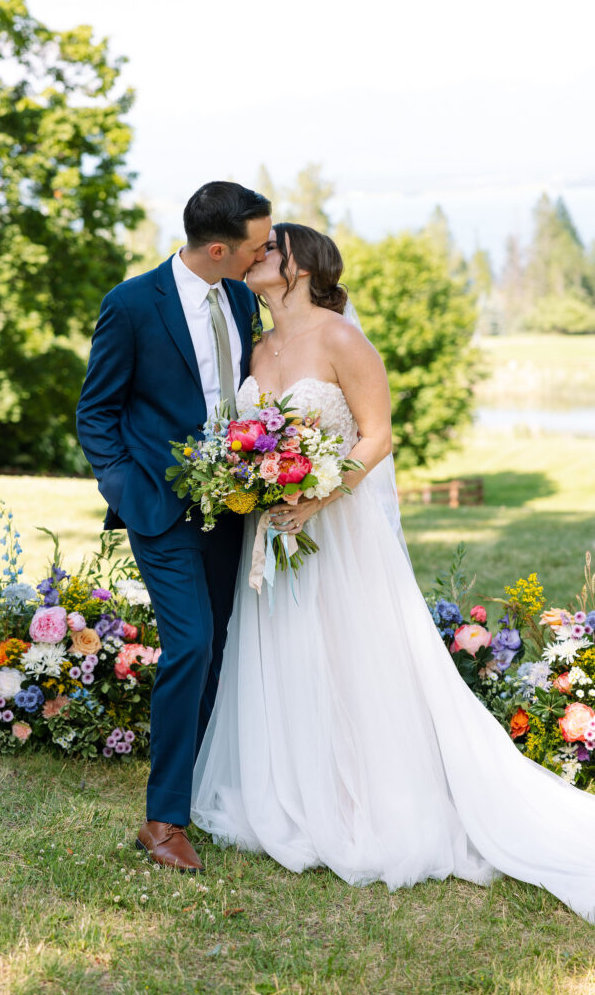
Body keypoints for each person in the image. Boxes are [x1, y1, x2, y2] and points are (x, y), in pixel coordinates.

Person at [191, 222, 595, 923]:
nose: (257, 258)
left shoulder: (343, 338)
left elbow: (377, 436)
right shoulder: (259, 345)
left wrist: (317, 494)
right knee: (285, 655)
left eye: (270, 250)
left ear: (303, 266)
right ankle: (295, 792)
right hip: (273, 527)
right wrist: (252, 480)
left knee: (355, 658)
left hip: (337, 527)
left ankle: (363, 801)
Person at [77, 182, 272, 872]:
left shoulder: (242, 298)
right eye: (256, 246)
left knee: (217, 648)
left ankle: (201, 794)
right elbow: (95, 412)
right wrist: (129, 491)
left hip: (234, 509)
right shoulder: (132, 305)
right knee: (189, 645)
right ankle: (162, 823)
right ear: (219, 248)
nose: (264, 254)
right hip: (160, 507)